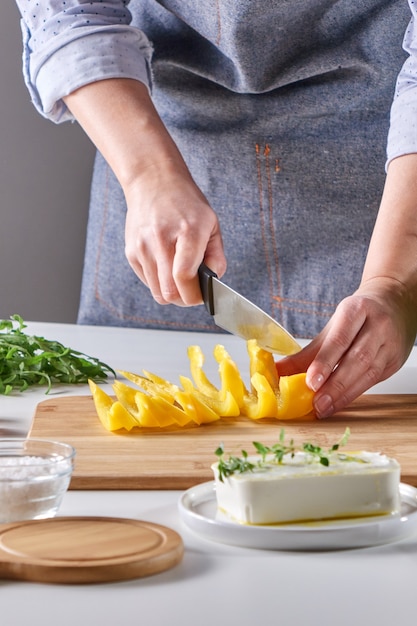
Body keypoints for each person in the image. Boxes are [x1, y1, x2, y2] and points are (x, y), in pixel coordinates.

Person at [15, 1, 417, 418]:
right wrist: (148, 174)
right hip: (153, 147)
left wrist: (395, 284)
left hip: (391, 198)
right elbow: (69, 13)